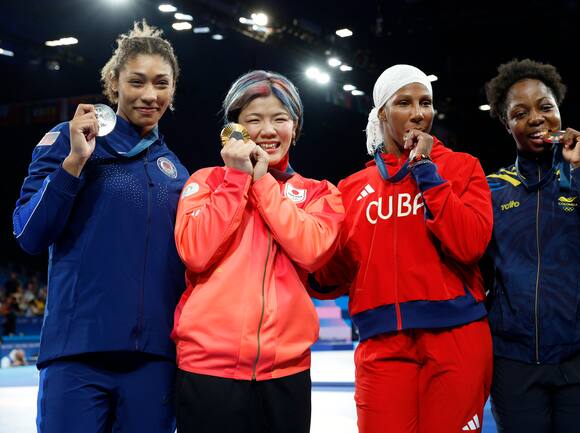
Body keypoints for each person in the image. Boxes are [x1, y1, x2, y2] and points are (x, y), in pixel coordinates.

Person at [12, 21, 188, 433]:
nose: (150, 95)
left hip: (153, 363)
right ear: (113, 82)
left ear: (173, 89)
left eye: (161, 83)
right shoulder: (69, 141)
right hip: (76, 358)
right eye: (137, 81)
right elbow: (29, 235)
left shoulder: (177, 173)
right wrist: (74, 163)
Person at [311, 64, 494, 433]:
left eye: (425, 103)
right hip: (381, 344)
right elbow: (333, 276)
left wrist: (427, 171)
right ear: (382, 113)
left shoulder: (461, 168)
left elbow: (470, 244)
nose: (418, 113)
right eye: (404, 103)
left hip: (455, 339)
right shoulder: (352, 187)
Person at [172, 70, 344, 433]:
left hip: (286, 373)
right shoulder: (205, 182)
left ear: (294, 128)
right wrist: (236, 180)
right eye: (253, 120)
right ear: (233, 130)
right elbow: (195, 253)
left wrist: (262, 182)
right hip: (207, 370)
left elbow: (311, 250)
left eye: (280, 119)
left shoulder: (320, 193)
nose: (268, 130)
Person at [483, 58, 580, 433]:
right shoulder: (490, 190)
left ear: (559, 112)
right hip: (514, 363)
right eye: (520, 112)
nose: (536, 118)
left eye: (545, 107)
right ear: (507, 124)